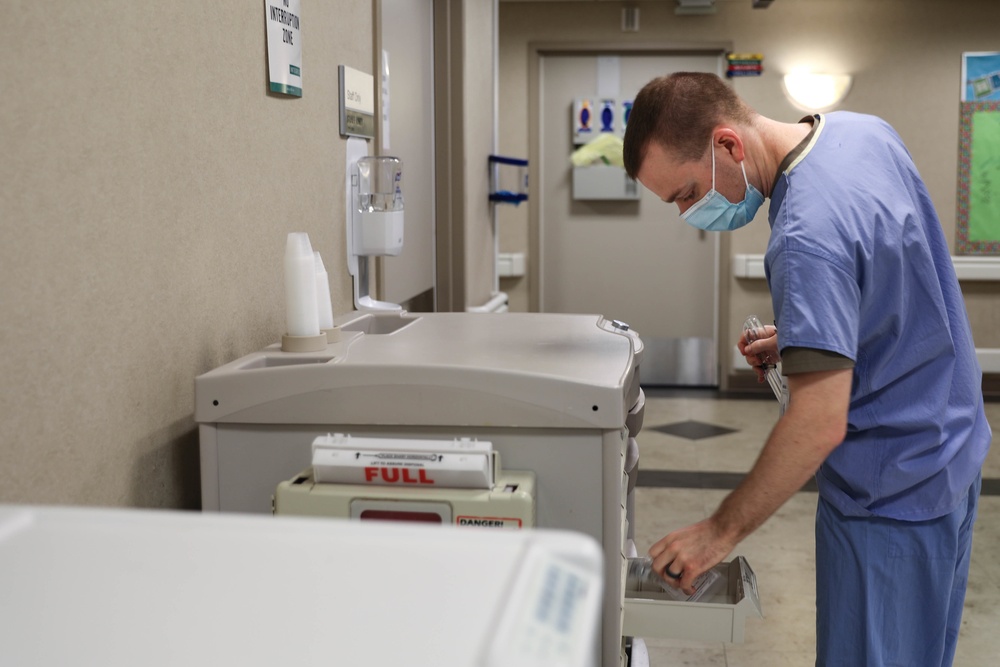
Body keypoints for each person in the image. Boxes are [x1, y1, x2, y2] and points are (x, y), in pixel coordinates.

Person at [622, 71, 991, 666]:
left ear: (727, 145)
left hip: (890, 496)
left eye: (686, 193)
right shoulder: (862, 134)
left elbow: (819, 423)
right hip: (952, 450)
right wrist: (807, 336)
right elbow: (895, 275)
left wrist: (716, 533)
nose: (688, 213)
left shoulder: (802, 236)